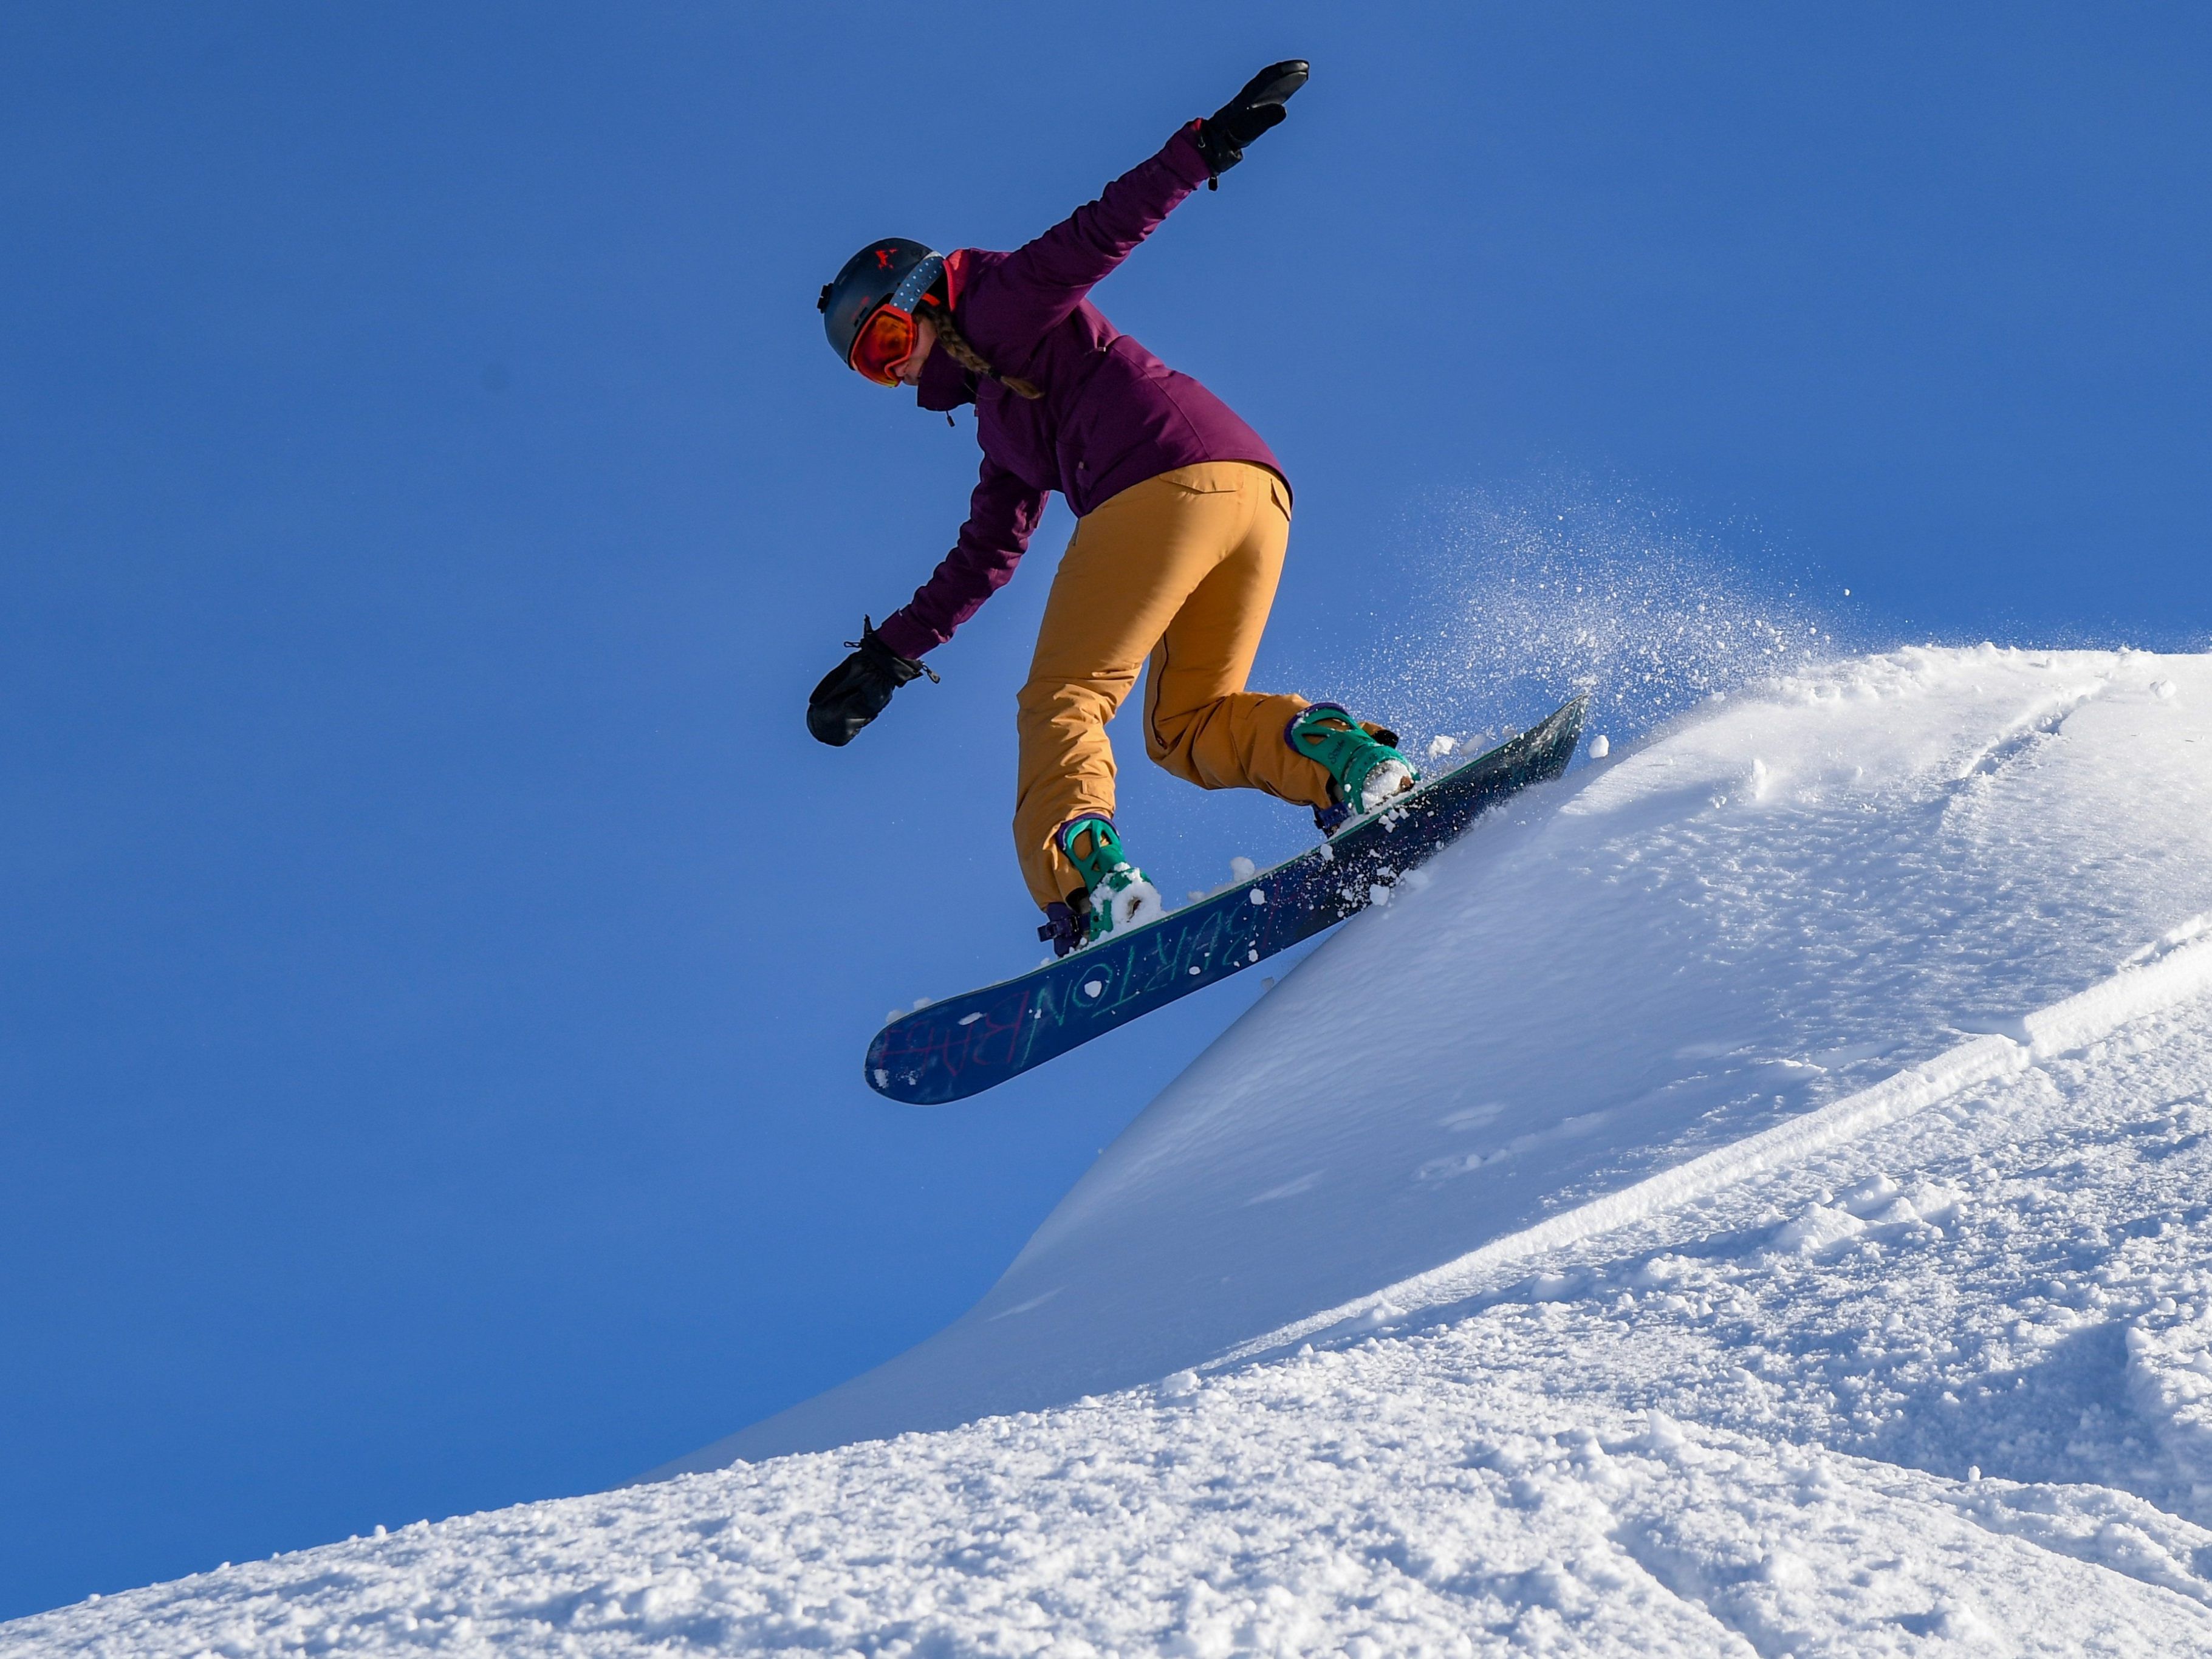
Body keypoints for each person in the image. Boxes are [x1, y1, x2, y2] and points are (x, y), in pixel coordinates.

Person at [806, 61, 1416, 957]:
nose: (893, 369)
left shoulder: (1004, 302)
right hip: (1252, 493)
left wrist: (1199, 150)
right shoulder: (1002, 426)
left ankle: (1089, 886)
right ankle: (1343, 763)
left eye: (889, 339)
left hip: (1162, 487)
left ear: (925, 301)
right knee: (1187, 727)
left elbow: (1096, 234)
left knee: (1061, 698)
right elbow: (985, 554)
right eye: (870, 365)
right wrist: (890, 656)